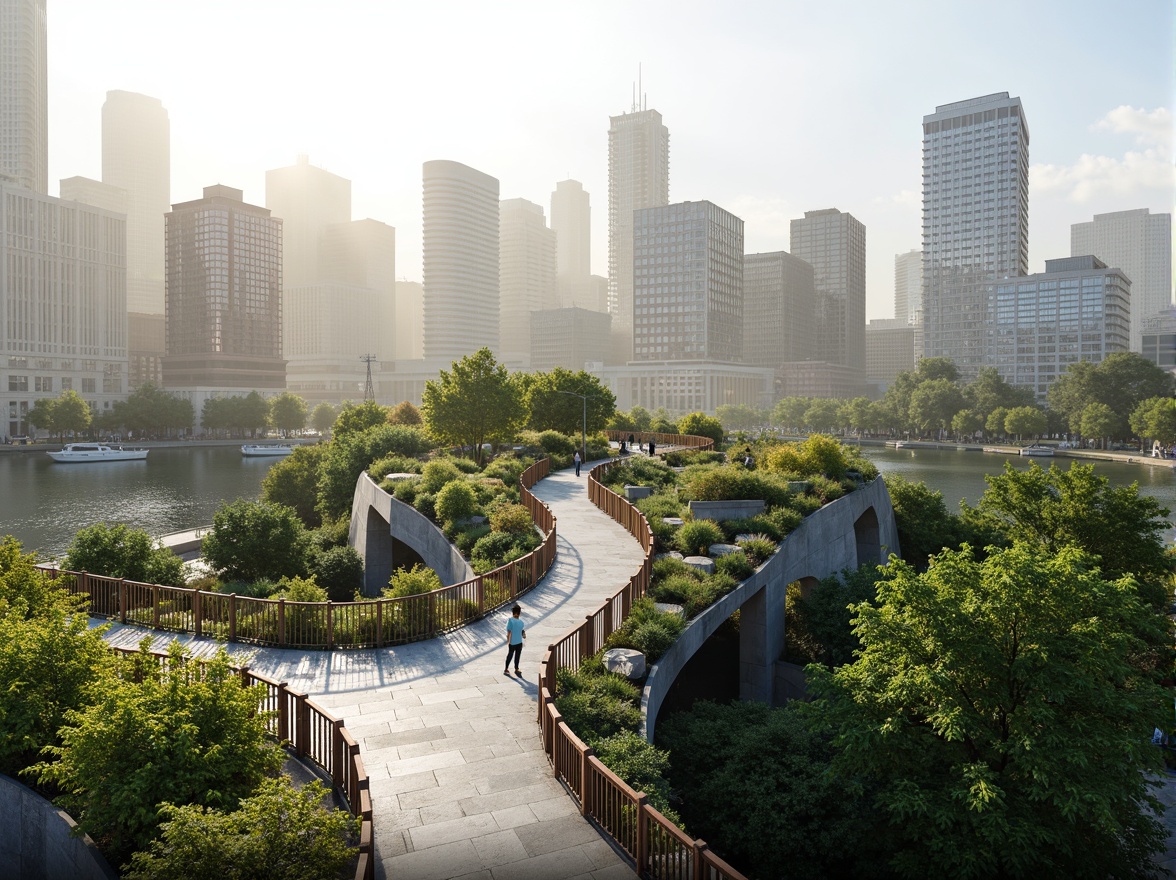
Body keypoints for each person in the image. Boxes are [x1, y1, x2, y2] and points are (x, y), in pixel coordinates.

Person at [504, 603, 526, 676]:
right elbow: (522, 631)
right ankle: (516, 668)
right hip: (519, 642)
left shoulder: (510, 620)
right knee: (517, 655)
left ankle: (506, 668)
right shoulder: (521, 622)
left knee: (510, 655)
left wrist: (508, 641)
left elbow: (509, 632)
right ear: (519, 613)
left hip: (512, 642)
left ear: (513, 612)